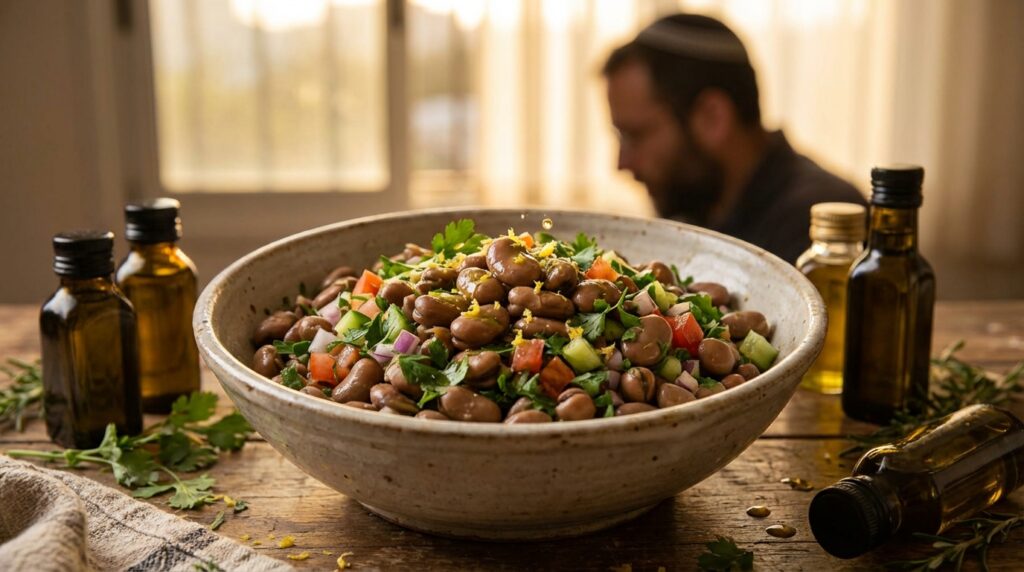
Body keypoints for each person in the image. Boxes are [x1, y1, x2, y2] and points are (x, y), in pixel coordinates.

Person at [603, 14, 867, 264]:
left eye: (636, 135)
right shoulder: (699, 201)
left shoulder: (817, 227)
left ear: (713, 117)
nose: (622, 163)